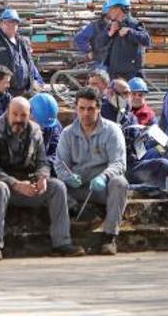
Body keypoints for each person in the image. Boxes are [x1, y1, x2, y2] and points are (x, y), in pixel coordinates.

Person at [0, 97, 85, 260]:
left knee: (57, 187)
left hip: (26, 184)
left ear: (30, 115)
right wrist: (15, 184)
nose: (19, 119)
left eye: (23, 116)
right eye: (15, 115)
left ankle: (62, 243)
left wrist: (42, 177)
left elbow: (43, 161)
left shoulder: (35, 131)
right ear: (8, 112)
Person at [54, 87, 129, 255]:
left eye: (90, 109)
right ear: (76, 109)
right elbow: (59, 165)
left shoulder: (112, 130)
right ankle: (69, 231)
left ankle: (110, 237)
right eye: (81, 108)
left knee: (120, 183)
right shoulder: (67, 133)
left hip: (103, 186)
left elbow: (119, 163)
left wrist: (104, 177)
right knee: (55, 185)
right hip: (77, 187)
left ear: (99, 109)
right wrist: (68, 176)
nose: (86, 113)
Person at [0, 9, 43, 97]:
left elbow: (30, 64)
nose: (11, 25)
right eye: (7, 22)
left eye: (14, 23)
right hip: (4, 93)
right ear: (1, 24)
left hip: (25, 92)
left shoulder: (22, 42)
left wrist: (37, 81)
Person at [95, 0, 151, 80]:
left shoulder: (134, 24)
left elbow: (146, 40)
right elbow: (98, 43)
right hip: (113, 75)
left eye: (111, 8)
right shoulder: (112, 25)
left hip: (131, 76)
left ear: (119, 9)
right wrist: (110, 33)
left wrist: (130, 32)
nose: (109, 12)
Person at [29, 92, 63, 166]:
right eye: (39, 124)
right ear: (29, 114)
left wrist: (44, 164)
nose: (42, 128)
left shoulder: (52, 124)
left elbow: (58, 153)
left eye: (44, 126)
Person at [73, 4, 109, 68]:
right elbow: (79, 38)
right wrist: (88, 50)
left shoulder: (121, 25)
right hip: (101, 63)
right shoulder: (95, 26)